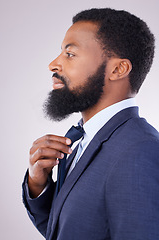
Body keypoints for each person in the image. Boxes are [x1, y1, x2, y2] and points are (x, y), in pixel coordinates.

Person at [22, 8, 159, 240]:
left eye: (70, 54)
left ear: (118, 69)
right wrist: (39, 185)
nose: (53, 65)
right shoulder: (85, 140)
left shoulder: (139, 151)